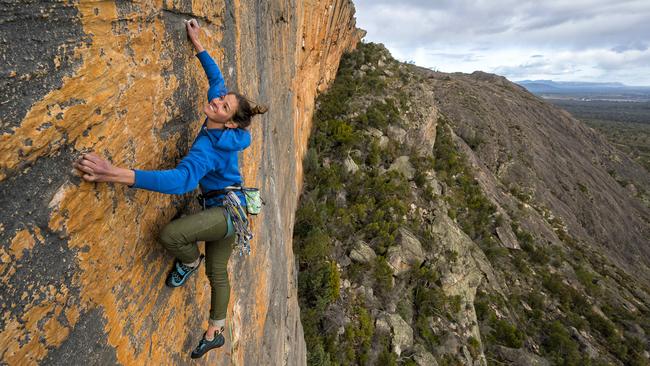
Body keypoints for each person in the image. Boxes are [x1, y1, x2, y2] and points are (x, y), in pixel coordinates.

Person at [73, 19, 267, 359]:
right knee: (218, 271)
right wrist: (198, 42)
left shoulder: (209, 148)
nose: (217, 100)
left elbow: (181, 181)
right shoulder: (220, 115)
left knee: (172, 236)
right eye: (221, 99)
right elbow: (216, 79)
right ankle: (216, 331)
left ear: (229, 121)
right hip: (234, 210)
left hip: (225, 212)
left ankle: (191, 269)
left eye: (223, 105)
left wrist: (112, 172)